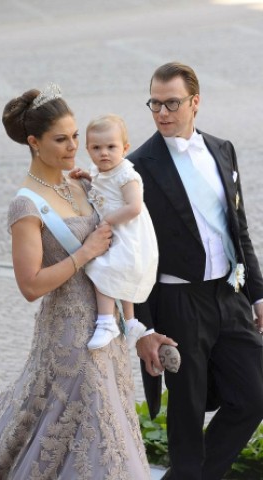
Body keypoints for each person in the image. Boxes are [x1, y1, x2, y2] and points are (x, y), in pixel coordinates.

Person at [0, 84, 152, 479]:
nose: (74, 146)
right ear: (34, 142)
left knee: (104, 427)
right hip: (69, 336)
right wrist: (84, 252)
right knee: (91, 434)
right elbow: (31, 286)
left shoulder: (83, 183)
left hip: (108, 332)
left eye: (75, 136)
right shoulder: (25, 205)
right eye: (61, 139)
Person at [127, 62, 263, 480]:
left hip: (228, 295)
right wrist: (144, 328)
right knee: (185, 417)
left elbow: (237, 227)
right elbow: (130, 255)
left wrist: (257, 294)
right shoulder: (137, 167)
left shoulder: (223, 149)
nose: (162, 112)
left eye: (172, 103)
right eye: (155, 103)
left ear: (195, 102)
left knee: (253, 396)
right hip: (178, 303)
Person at [83, 113, 158, 350]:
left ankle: (107, 322)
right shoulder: (98, 171)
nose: (104, 153)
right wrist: (85, 176)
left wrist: (108, 220)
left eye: (111, 147)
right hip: (119, 233)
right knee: (119, 275)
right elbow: (100, 185)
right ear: (87, 149)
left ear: (124, 148)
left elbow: (134, 207)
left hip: (130, 235)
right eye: (96, 147)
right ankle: (132, 320)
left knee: (103, 268)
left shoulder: (127, 175)